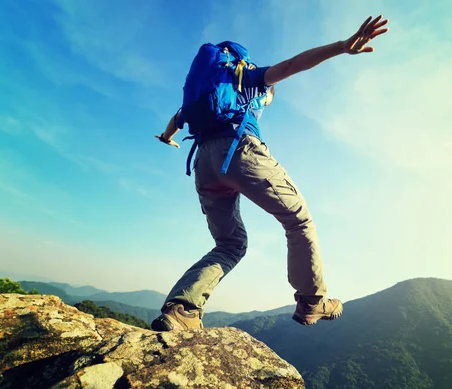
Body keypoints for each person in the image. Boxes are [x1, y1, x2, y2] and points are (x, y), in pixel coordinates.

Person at [152, 15, 389, 331]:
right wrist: (342, 47)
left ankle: (182, 308)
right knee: (299, 220)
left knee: (229, 244)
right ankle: (312, 300)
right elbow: (292, 64)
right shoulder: (250, 77)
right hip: (238, 151)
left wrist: (168, 138)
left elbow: (178, 118)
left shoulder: (203, 93)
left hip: (204, 164)